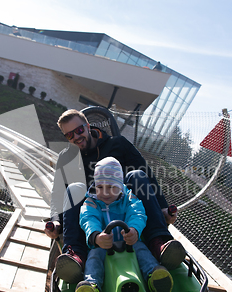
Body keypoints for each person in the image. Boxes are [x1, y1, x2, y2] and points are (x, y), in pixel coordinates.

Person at [45, 109, 185, 283]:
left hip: (124, 210)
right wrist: (56, 220)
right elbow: (58, 192)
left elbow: (146, 173)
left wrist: (163, 207)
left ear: (88, 126)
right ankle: (76, 256)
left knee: (137, 175)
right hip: (91, 217)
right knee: (74, 188)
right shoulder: (66, 157)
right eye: (69, 135)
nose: (76, 137)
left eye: (79, 130)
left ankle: (159, 242)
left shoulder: (118, 144)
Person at [74, 157, 173, 292]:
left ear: (120, 186)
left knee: (142, 250)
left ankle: (154, 275)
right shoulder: (91, 201)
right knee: (94, 257)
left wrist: (134, 230)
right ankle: (91, 286)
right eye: (100, 187)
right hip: (103, 244)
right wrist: (96, 236)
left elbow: (137, 213)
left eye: (111, 187)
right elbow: (88, 218)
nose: (105, 193)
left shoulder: (129, 197)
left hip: (129, 241)